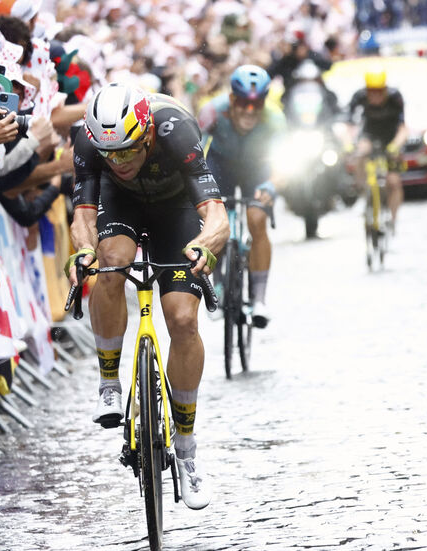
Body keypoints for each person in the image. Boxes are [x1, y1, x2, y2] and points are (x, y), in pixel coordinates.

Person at [69, 83, 228, 510]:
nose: (119, 162)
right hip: (120, 205)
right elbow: (82, 216)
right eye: (110, 155)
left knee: (180, 319)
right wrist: (83, 250)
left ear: (149, 134)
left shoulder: (176, 129)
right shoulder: (88, 139)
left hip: (176, 207)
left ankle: (188, 448)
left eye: (128, 151)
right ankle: (107, 381)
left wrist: (207, 243)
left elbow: (216, 214)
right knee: (110, 261)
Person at [197, 65, 283, 328]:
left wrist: (272, 184)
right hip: (219, 164)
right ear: (232, 99)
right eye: (244, 102)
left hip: (256, 168)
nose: (250, 111)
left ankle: (259, 299)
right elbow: (194, 155)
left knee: (256, 219)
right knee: (215, 217)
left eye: (257, 104)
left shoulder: (275, 119)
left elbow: (285, 164)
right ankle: (218, 283)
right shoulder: (211, 111)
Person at [347, 66, 407, 228]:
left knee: (393, 182)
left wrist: (396, 145)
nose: (375, 96)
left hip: (390, 138)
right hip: (369, 136)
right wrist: (350, 143)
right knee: (361, 153)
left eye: (379, 91)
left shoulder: (395, 98)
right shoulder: (359, 97)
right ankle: (363, 194)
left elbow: (403, 128)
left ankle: (393, 220)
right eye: (371, 91)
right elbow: (350, 124)